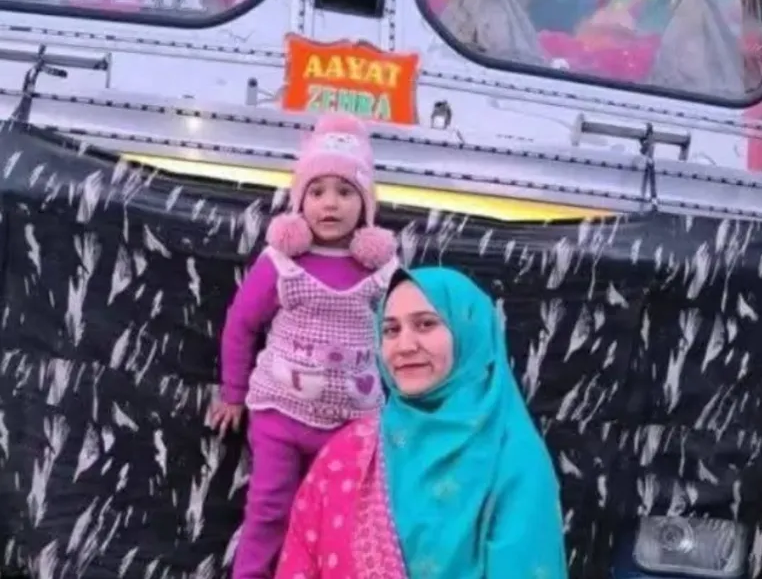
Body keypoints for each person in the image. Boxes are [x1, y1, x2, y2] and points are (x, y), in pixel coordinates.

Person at [274, 267, 568, 579]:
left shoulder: (512, 458)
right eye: (390, 330)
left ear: (469, 330)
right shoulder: (348, 453)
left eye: (425, 324)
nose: (405, 346)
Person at [205, 112, 399, 579]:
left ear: (366, 205)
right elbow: (240, 325)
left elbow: (398, 337)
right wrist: (233, 393)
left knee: (340, 518)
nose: (330, 204)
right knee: (269, 511)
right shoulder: (280, 263)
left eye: (345, 192)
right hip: (280, 415)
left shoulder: (381, 269)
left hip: (353, 425)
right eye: (316, 192)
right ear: (299, 202)